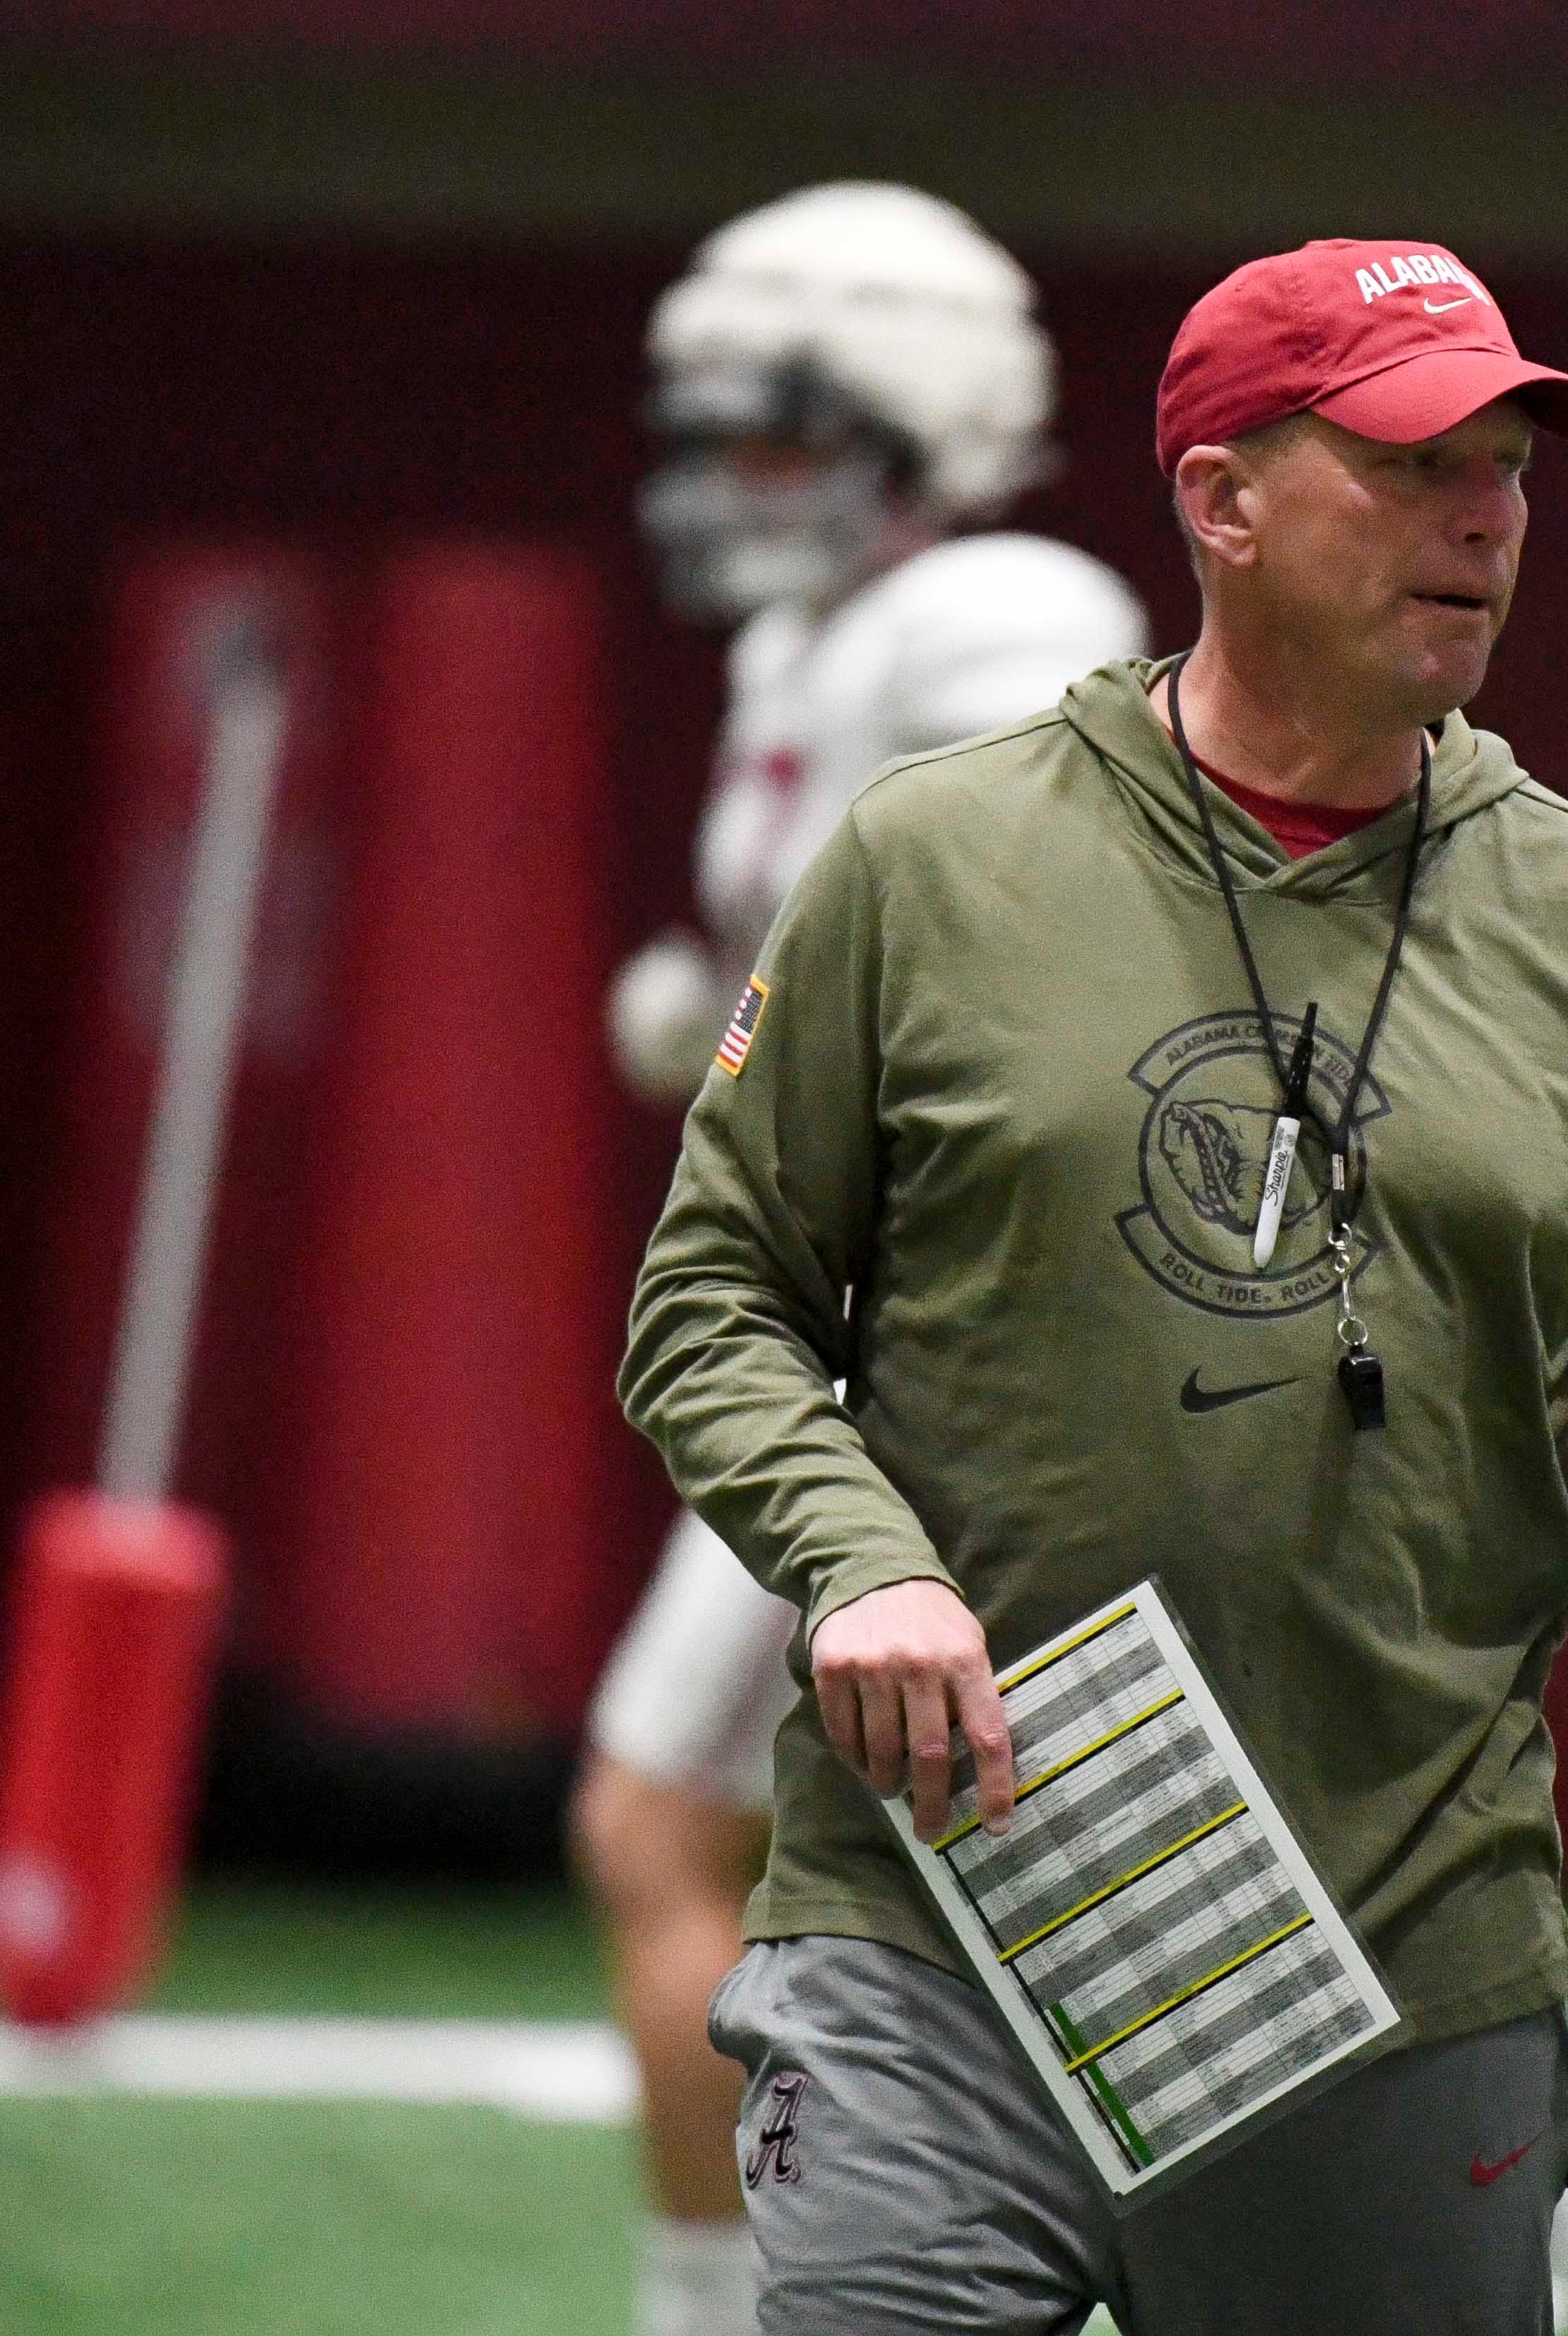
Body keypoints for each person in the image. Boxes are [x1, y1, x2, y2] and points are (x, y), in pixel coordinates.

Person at [619, 233, 1568, 2336]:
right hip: (946, 1913)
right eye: (1411, 463)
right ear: (1221, 499)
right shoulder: (931, 860)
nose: (1484, 515)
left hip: (1397, 1951)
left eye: (1505, 463)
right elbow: (713, 1292)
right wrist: (855, 1555)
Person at [571, 180, 1146, 2336]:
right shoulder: (821, 641)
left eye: (790, 437)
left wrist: (740, 1028)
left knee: (662, 1823)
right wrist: (717, 993)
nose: (740, 489)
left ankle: (711, 2314)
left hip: (928, 1338)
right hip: (886, 1310)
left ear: (925, 430)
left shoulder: (996, 603)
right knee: (1127, 1887)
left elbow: (1034, 910)